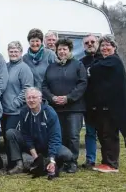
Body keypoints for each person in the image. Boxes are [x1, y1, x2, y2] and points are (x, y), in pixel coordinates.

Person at [85, 35, 126, 173]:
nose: (105, 48)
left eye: (108, 45)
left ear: (114, 47)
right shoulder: (103, 62)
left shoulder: (114, 62)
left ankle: (112, 164)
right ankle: (106, 161)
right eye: (102, 46)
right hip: (102, 107)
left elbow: (94, 70)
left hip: (112, 108)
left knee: (109, 134)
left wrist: (91, 69)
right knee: (102, 134)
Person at [41, 38, 87, 173]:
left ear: (69, 50)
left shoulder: (78, 65)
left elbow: (82, 84)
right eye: (59, 49)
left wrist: (68, 98)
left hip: (74, 108)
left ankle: (72, 162)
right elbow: (44, 85)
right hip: (55, 108)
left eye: (64, 49)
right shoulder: (51, 67)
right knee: (58, 136)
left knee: (72, 136)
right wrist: (51, 97)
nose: (62, 51)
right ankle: (60, 161)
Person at [6, 87, 72, 175]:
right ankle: (19, 165)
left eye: (34, 97)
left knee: (67, 154)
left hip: (47, 146)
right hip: (33, 146)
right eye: (28, 98)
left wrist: (52, 159)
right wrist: (36, 158)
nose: (31, 100)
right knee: (10, 133)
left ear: (40, 99)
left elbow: (55, 137)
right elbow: (25, 135)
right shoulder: (24, 112)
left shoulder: (50, 112)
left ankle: (51, 162)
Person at [1, 41, 33, 170]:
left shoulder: (24, 68)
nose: (13, 53)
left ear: (20, 53)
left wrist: (15, 103)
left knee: (11, 135)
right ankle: (10, 163)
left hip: (16, 111)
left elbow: (27, 88)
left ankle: (17, 163)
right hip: (3, 110)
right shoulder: (6, 66)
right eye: (11, 51)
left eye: (16, 51)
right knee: (5, 137)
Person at [79, 33, 100, 169]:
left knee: (105, 134)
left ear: (97, 43)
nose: (90, 44)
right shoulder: (81, 62)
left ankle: (109, 160)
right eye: (87, 43)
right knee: (90, 133)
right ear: (83, 46)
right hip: (88, 104)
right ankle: (90, 160)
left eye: (92, 41)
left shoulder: (104, 59)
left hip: (104, 104)